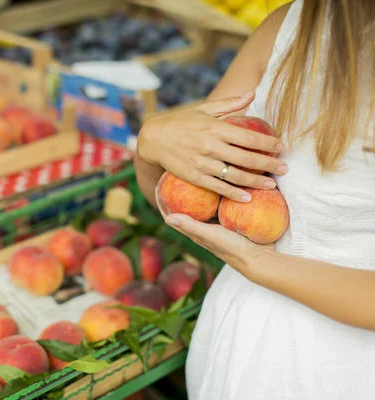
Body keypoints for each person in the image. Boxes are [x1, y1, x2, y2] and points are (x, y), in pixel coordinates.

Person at [134, 0, 375, 399]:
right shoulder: (291, 24)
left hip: (348, 371)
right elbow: (183, 200)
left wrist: (261, 263)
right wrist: (152, 148)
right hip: (244, 340)